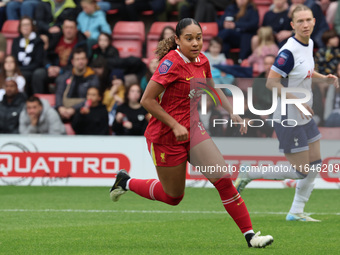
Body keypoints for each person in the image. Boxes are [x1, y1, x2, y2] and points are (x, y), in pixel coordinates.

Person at [109, 18, 273, 248]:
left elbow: (211, 88)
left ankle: (250, 236)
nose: (196, 43)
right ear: (177, 40)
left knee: (223, 180)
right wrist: (175, 125)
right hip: (166, 137)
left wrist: (234, 113)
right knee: (173, 197)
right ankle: (126, 182)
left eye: (199, 38)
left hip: (194, 130)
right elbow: (146, 100)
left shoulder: (202, 59)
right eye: (189, 38)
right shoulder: (169, 64)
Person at [235, 5, 339, 221]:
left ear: (314, 21)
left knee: (315, 163)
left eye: (308, 20)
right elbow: (272, 83)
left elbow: (304, 71)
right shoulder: (288, 51)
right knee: (300, 170)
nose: (305, 24)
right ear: (292, 25)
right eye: (300, 21)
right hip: (287, 115)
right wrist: (299, 102)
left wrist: (323, 77)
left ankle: (296, 212)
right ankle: (250, 172)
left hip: (303, 113)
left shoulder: (309, 43)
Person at [31, 18, 87, 94]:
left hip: (69, 72)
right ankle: (39, 100)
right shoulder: (55, 38)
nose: (68, 30)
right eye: (66, 27)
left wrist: (60, 70)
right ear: (63, 29)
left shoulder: (81, 43)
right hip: (52, 69)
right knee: (38, 74)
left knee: (61, 79)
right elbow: (44, 55)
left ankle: (59, 103)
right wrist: (49, 66)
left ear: (76, 29)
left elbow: (80, 63)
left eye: (71, 28)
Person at [55, 47, 99, 121]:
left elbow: (92, 98)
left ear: (86, 60)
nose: (80, 61)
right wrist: (60, 107)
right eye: (77, 59)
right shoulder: (66, 76)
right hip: (64, 108)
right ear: (72, 62)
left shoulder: (93, 77)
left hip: (82, 110)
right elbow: (59, 93)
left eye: (82, 59)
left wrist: (74, 109)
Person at [11, 16, 44, 95]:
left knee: (28, 75)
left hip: (33, 69)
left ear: (32, 27)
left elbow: (38, 62)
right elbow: (14, 58)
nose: (25, 27)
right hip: (20, 69)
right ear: (20, 27)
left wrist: (21, 69)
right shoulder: (16, 41)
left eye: (28, 25)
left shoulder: (38, 41)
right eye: (23, 25)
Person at [324, 62, 340, 127]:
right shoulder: (333, 84)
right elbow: (329, 101)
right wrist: (326, 117)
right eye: (339, 69)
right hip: (333, 114)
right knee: (330, 121)